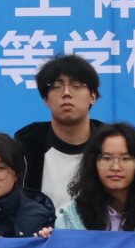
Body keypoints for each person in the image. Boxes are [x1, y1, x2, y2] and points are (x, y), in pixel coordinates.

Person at [54, 123, 135, 236]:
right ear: (93, 164)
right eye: (106, 158)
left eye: (125, 158)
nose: (115, 167)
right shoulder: (71, 217)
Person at [17, 55, 105, 214]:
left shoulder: (111, 144)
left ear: (93, 96)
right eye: (57, 86)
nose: (66, 93)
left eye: (77, 86)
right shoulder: (26, 146)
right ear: (46, 98)